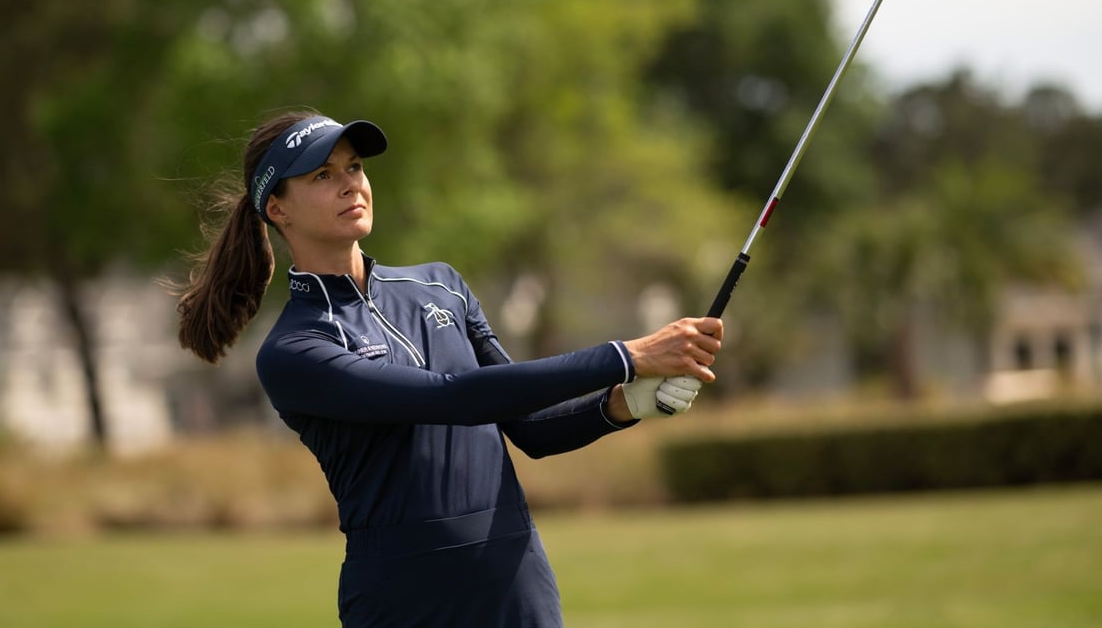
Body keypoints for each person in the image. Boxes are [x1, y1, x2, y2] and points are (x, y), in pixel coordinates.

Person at [173, 109, 724, 627]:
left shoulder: (440, 284)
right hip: (403, 594)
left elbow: (528, 427)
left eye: (355, 167)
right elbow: (450, 397)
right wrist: (625, 356)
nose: (350, 184)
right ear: (278, 209)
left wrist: (625, 403)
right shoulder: (294, 350)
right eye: (322, 174)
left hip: (515, 574)